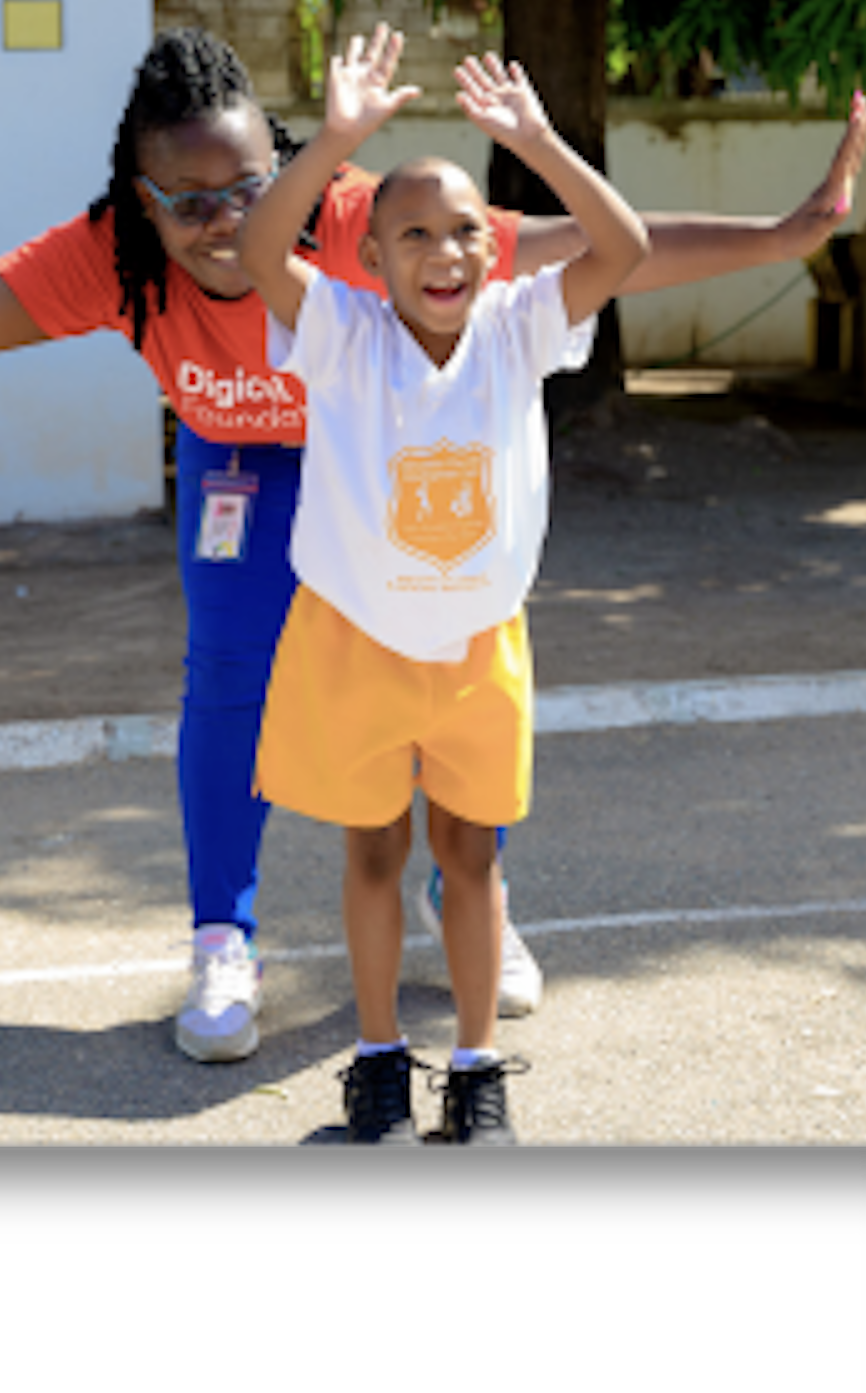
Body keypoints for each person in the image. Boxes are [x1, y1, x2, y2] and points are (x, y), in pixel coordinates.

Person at [0, 31, 863, 1069]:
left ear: (286, 171)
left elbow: (573, 252)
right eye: (186, 200)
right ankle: (223, 940)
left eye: (246, 191)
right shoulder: (110, 257)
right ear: (138, 197)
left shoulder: (362, 219)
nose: (219, 221)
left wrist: (787, 232)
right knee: (232, 683)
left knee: (444, 647)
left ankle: (474, 894)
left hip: (372, 464)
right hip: (239, 469)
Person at [232, 26, 640, 1147]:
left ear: (493, 251)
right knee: (374, 851)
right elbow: (265, 248)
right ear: (371, 260)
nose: (445, 251)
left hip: (478, 645)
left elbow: (625, 243)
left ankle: (473, 1069)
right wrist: (337, 141)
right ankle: (375, 1067)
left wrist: (540, 141)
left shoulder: (520, 326)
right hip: (353, 638)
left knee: (472, 856)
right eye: (413, 233)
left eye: (466, 230)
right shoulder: (342, 331)